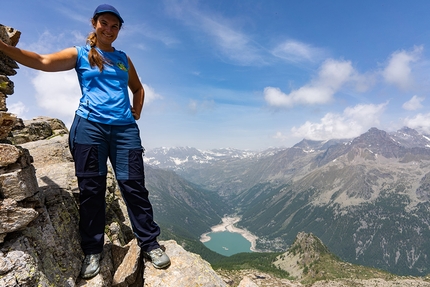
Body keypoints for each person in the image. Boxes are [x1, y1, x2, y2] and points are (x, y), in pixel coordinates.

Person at [0, 4, 170, 279]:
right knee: (92, 190)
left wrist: (136, 110)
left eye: (115, 26)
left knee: (134, 187)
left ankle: (150, 243)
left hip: (125, 130)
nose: (110, 30)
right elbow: (43, 61)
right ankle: (92, 250)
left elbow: (137, 88)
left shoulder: (124, 58)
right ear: (94, 23)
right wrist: (5, 48)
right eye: (105, 23)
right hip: (90, 128)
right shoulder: (80, 54)